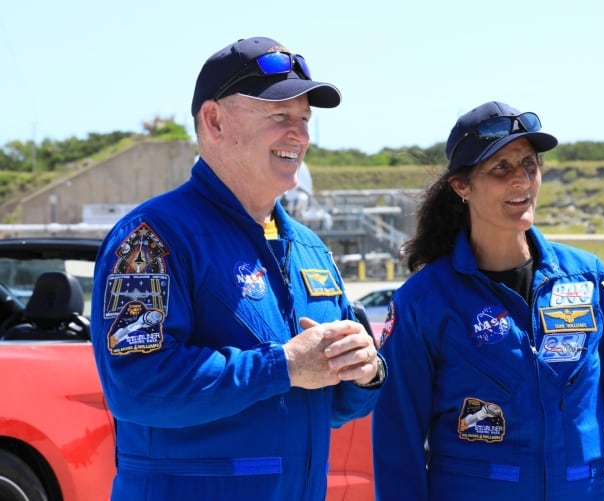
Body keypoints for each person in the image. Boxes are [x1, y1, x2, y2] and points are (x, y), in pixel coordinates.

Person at [91, 36, 385, 501]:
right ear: (214, 121)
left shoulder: (309, 249)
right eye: (279, 116)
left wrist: (365, 373)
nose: (299, 135)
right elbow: (137, 385)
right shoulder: (151, 238)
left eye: (305, 120)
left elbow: (329, 403)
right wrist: (283, 365)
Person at [372, 101, 604, 500]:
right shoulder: (424, 302)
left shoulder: (589, 279)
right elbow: (395, 443)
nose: (521, 179)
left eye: (529, 164)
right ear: (461, 186)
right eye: (500, 168)